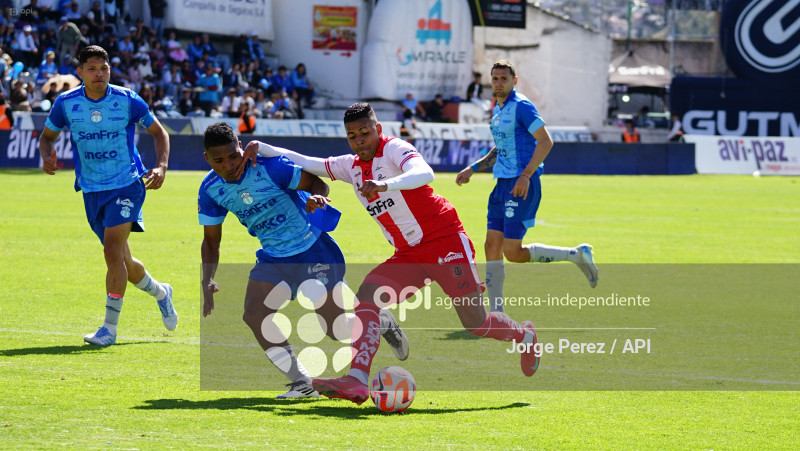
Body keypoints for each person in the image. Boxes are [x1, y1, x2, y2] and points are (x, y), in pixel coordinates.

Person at [243, 102, 542, 405]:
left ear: (378, 129)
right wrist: (262, 147)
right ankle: (357, 379)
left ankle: (525, 336)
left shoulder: (394, 148)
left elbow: (424, 173)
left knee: (475, 323)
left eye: (365, 132)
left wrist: (385, 185)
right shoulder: (350, 166)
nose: (360, 141)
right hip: (409, 254)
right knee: (367, 297)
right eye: (352, 136)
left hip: (445, 242)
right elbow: (308, 161)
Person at [199, 122, 408, 398]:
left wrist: (317, 197)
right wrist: (207, 278)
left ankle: (377, 320)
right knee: (254, 314)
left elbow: (316, 183)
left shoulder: (270, 167)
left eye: (233, 156)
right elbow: (211, 240)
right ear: (207, 159)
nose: (228, 165)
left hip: (313, 248)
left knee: (336, 329)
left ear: (241, 146)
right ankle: (302, 383)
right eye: (219, 161)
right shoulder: (210, 189)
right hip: (274, 257)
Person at [38, 45, 177, 346]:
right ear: (80, 72)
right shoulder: (66, 103)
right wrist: (47, 156)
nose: (99, 74)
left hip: (127, 184)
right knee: (123, 260)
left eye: (103, 68)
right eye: (91, 69)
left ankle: (109, 329)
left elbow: (159, 133)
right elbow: (47, 137)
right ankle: (161, 292)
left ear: (110, 70)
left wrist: (162, 166)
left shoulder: (127, 99)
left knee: (112, 251)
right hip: (91, 189)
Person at [455, 60, 598, 313]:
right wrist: (473, 168)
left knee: (513, 252)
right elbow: (501, 147)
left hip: (521, 184)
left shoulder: (522, 106)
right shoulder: (498, 109)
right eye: (495, 78)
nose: (499, 83)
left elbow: (545, 141)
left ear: (514, 81)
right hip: (501, 185)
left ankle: (576, 255)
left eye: (504, 79)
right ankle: (496, 312)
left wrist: (526, 175)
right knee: (491, 246)